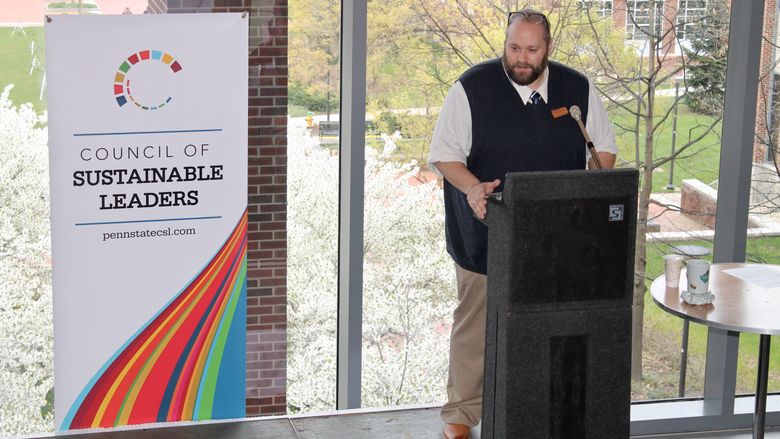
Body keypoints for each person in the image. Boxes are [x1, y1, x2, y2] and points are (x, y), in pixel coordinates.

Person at [427, 9, 617, 439]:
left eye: (532, 49)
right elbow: (444, 154)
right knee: (476, 324)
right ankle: (460, 415)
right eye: (514, 47)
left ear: (548, 48)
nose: (521, 57)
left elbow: (602, 149)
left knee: (547, 325)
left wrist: (590, 183)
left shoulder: (577, 89)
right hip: (483, 232)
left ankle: (539, 409)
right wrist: (474, 188)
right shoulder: (471, 88)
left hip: (558, 237)